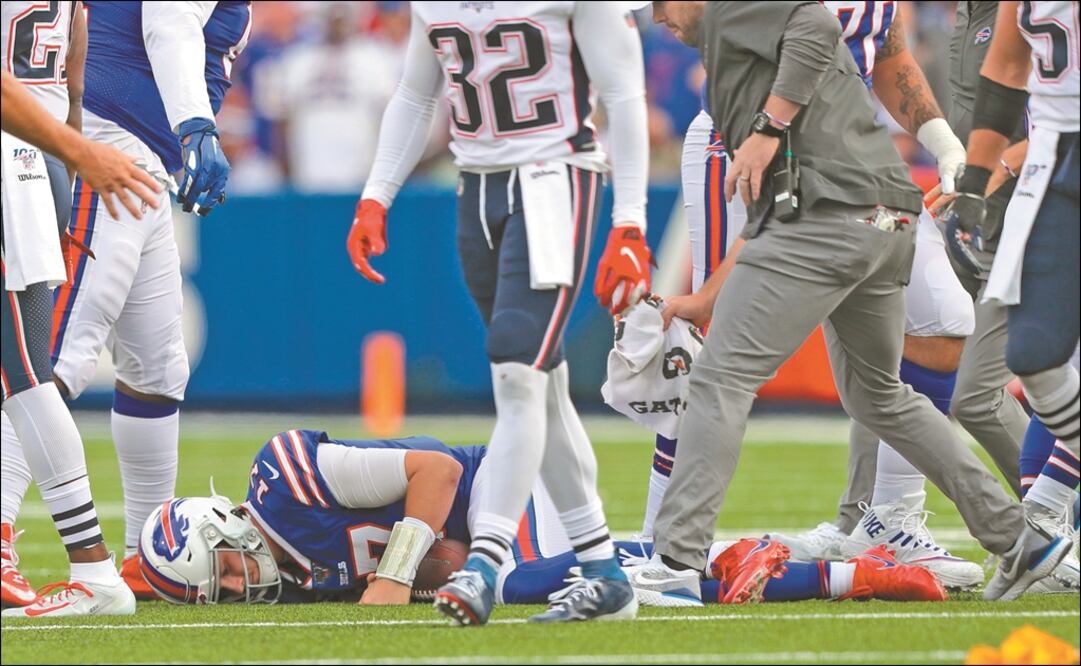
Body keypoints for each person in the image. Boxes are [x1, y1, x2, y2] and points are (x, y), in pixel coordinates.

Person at [620, 0, 1063, 607]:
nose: (657, 17)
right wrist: (713, 291)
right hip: (886, 210)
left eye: (662, 4)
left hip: (823, 209)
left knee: (720, 376)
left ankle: (673, 559)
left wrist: (769, 128)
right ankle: (1019, 538)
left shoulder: (732, 13)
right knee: (880, 394)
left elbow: (815, 24)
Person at [346, 1, 652, 625]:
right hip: (476, 189)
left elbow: (623, 94)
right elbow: (415, 91)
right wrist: (376, 195)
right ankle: (602, 571)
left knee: (515, 375)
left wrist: (631, 221)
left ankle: (484, 561)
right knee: (542, 385)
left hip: (554, 182)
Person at [1, 0, 251, 611]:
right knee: (50, 358)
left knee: (157, 370)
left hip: (130, 155)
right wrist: (195, 125)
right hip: (108, 148)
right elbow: (165, 20)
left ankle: (146, 557)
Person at [136, 429, 947, 607]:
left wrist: (392, 577)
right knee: (621, 583)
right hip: (481, 530)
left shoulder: (287, 478)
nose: (240, 587)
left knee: (529, 582)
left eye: (227, 569)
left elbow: (438, 469)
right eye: (220, 591)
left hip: (503, 479)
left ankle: (815, 570)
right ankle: (848, 574)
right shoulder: (290, 579)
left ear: (226, 528)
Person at [0, 1, 159, 617]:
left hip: (13, 158)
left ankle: (94, 570)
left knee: (23, 371)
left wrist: (75, 148)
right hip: (35, 159)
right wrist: (69, 143)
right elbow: (79, 38)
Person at [944, 0, 1078, 601]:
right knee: (1034, 353)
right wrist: (974, 179)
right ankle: (1047, 510)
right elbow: (1004, 66)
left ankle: (1045, 511)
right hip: (1055, 159)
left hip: (1047, 152)